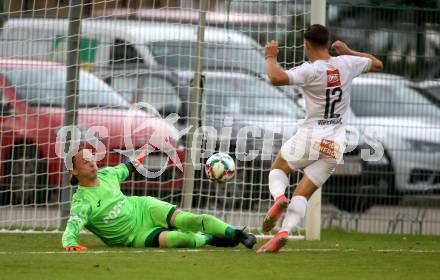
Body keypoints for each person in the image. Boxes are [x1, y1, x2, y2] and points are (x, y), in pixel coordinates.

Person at [258, 24, 383, 253]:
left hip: (311, 136)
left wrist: (270, 56)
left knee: (279, 169)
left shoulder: (310, 70)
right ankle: (284, 231)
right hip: (336, 144)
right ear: (329, 43)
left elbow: (275, 77)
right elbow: (377, 63)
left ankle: (278, 198)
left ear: (307, 45)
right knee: (303, 194)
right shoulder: (346, 64)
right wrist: (348, 51)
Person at [62, 148, 256, 251]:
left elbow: (127, 167)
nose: (92, 163)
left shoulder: (107, 174)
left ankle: (238, 234)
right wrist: (70, 242)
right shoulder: (82, 202)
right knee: (179, 239)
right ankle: (210, 238)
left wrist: (142, 154)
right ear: (75, 171)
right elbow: (73, 225)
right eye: (85, 162)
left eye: (92, 158)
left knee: (188, 220)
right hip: (134, 237)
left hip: (144, 208)